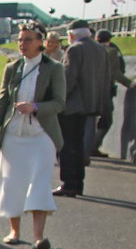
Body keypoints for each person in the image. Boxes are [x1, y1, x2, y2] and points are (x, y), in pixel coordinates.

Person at [0, 22, 65, 249]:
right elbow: (2, 103)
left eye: (28, 40)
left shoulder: (54, 68)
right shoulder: (12, 68)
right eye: (20, 40)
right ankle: (14, 231)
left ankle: (39, 237)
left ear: (41, 42)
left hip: (41, 135)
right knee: (12, 184)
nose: (22, 44)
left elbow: (59, 103)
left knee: (39, 184)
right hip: (14, 135)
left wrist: (35, 106)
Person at [54, 19, 110, 197]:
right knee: (78, 145)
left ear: (71, 35)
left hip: (72, 106)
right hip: (90, 104)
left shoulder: (74, 49)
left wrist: (57, 100)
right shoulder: (101, 49)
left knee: (67, 146)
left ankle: (68, 183)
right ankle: (78, 183)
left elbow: (68, 80)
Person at [92, 28, 132, 157]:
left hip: (89, 91)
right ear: (109, 40)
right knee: (107, 120)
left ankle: (88, 146)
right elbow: (115, 72)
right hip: (105, 91)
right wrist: (130, 83)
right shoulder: (111, 51)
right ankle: (93, 145)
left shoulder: (91, 50)